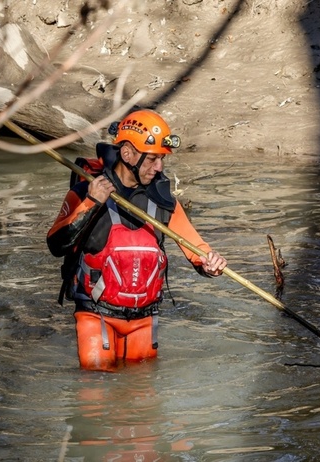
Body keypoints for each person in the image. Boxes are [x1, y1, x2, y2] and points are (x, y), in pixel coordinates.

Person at [47, 109, 227, 371]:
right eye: (152, 159)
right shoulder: (86, 190)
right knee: (94, 398)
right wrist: (90, 203)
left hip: (144, 319)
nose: (159, 168)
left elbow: (196, 248)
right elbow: (55, 245)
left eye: (162, 159)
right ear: (128, 153)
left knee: (142, 404)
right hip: (96, 315)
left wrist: (210, 264)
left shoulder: (165, 203)